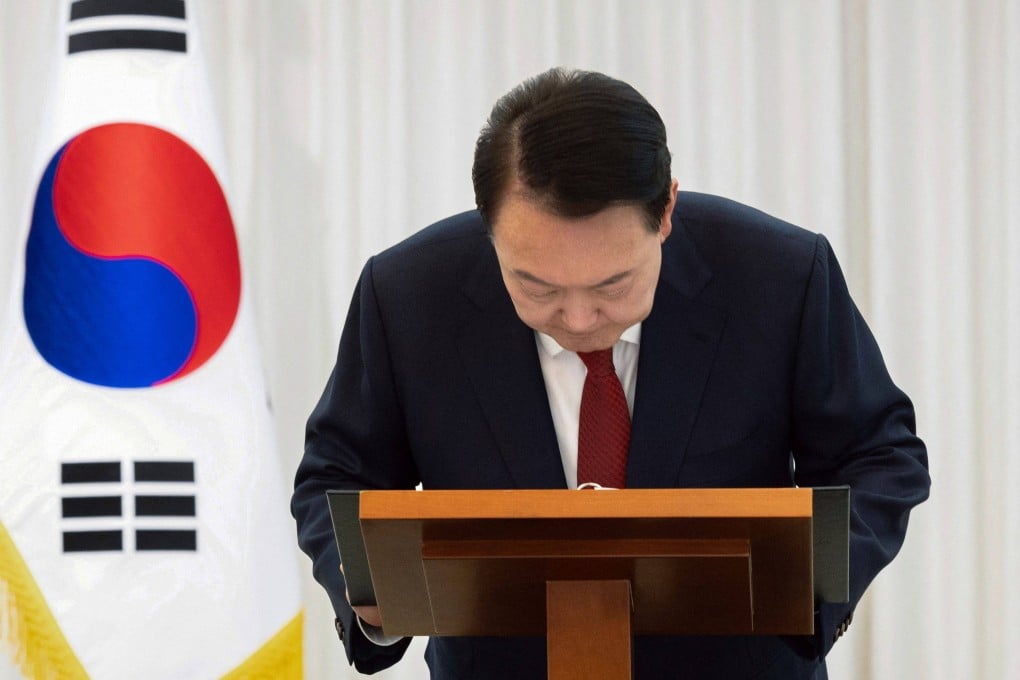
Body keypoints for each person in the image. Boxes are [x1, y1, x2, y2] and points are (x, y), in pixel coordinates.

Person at [292, 68, 930, 679]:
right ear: (490, 228)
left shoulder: (779, 276)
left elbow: (878, 456)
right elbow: (338, 473)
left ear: (667, 211)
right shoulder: (407, 294)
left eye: (613, 284)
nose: (576, 317)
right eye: (534, 285)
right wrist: (372, 596)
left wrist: (806, 588)